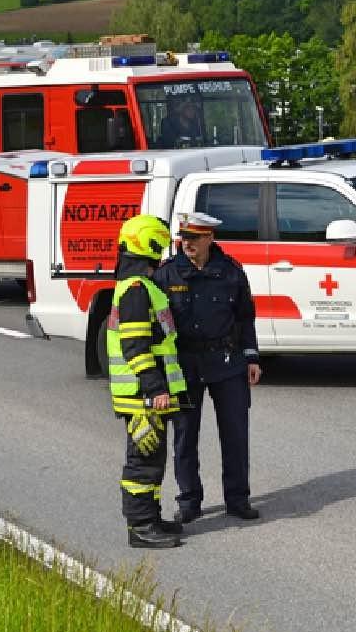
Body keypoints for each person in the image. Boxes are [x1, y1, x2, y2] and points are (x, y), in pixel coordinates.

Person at [155, 211, 262, 524]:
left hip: (227, 362)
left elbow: (245, 316)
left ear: (210, 238)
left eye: (194, 238)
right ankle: (189, 501)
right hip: (185, 364)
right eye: (184, 237)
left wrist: (251, 357)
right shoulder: (167, 274)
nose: (187, 243)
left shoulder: (230, 271)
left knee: (235, 435)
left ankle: (238, 499)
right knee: (185, 436)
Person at [108, 214, 188, 549]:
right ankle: (140, 527)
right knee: (143, 461)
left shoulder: (139, 285)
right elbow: (135, 346)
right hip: (142, 395)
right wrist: (155, 388)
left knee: (152, 458)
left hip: (144, 394)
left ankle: (150, 518)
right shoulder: (137, 290)